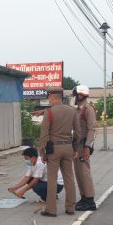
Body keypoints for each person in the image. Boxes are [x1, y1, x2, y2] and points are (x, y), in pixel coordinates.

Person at [38, 86, 81, 217]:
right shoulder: (72, 111)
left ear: (51, 97)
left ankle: (51, 210)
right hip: (68, 148)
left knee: (52, 178)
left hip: (54, 150)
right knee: (69, 178)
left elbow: (44, 135)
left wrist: (42, 152)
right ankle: (70, 208)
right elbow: (78, 132)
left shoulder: (49, 112)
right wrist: (75, 148)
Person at [72, 85, 98, 211]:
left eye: (75, 95)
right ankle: (84, 197)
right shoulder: (78, 110)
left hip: (83, 146)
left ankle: (90, 200)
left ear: (80, 95)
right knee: (78, 173)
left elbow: (92, 129)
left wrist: (88, 146)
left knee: (84, 172)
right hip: (76, 146)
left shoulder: (88, 109)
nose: (74, 98)